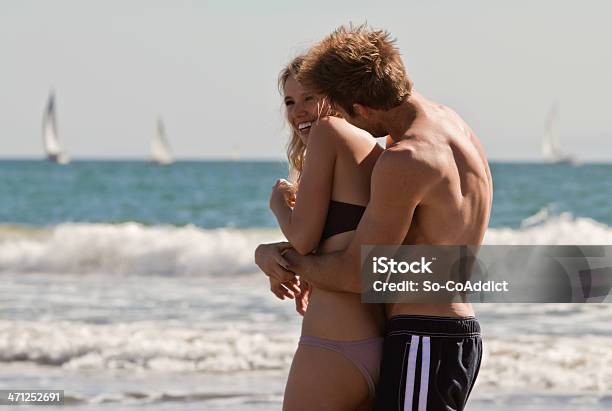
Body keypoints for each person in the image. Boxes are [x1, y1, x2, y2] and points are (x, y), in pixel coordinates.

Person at [256, 25, 493, 411]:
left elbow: (357, 273)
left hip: (423, 335)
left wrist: (279, 259)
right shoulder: (452, 124)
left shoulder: (407, 159)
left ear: (361, 107)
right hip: (451, 331)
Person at [259, 55, 387, 411]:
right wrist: (268, 254)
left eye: (309, 98)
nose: (298, 111)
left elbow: (303, 239)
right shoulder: (367, 148)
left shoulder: (330, 132)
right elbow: (334, 244)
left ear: (334, 96)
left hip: (334, 345)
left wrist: (277, 203)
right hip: (373, 342)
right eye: (289, 101)